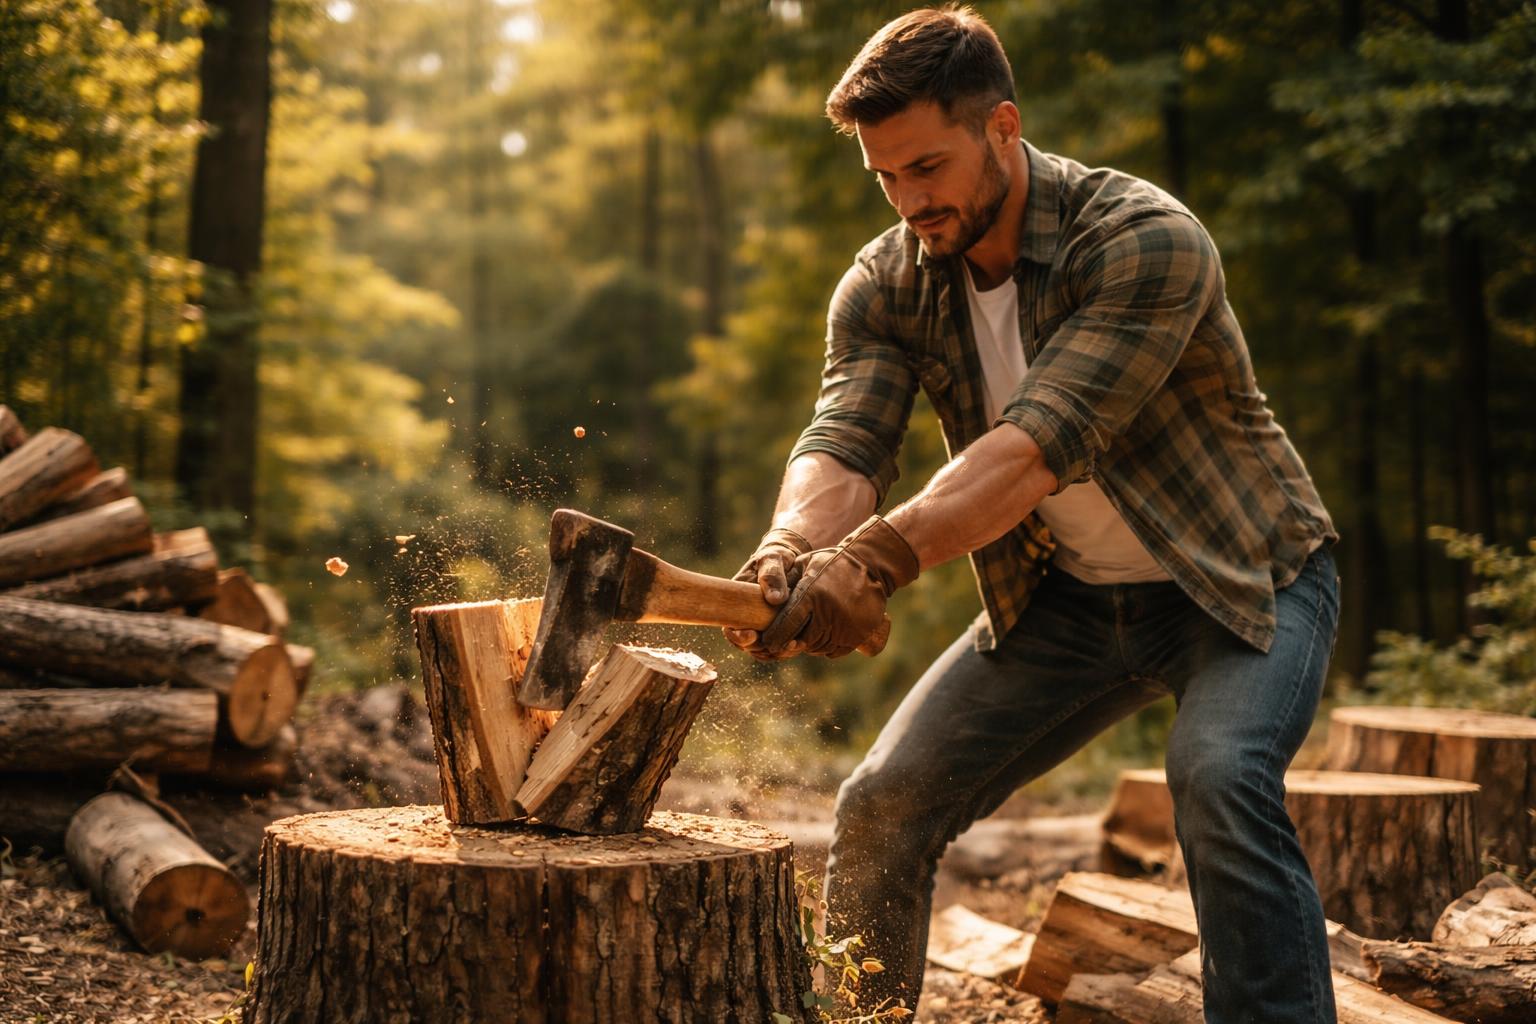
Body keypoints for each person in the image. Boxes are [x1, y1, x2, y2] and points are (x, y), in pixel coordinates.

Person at [722, 6, 1342, 1022]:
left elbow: (1033, 449)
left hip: (1242, 580)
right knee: (881, 804)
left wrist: (874, 560)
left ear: (1002, 129)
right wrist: (793, 545)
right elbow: (843, 443)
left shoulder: (1144, 239)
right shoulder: (885, 285)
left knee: (1220, 778)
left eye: (927, 167)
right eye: (884, 176)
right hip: (1066, 598)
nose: (907, 198)